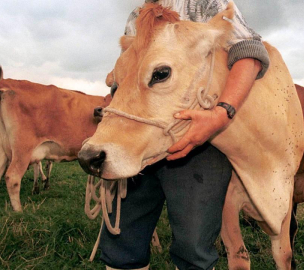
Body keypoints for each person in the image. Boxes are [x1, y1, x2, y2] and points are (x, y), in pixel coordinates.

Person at [99, 1, 269, 269]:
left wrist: (220, 114)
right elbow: (132, 72)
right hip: (139, 136)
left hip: (198, 137)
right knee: (123, 235)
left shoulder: (207, 2)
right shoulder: (138, 15)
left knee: (194, 243)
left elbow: (249, 51)